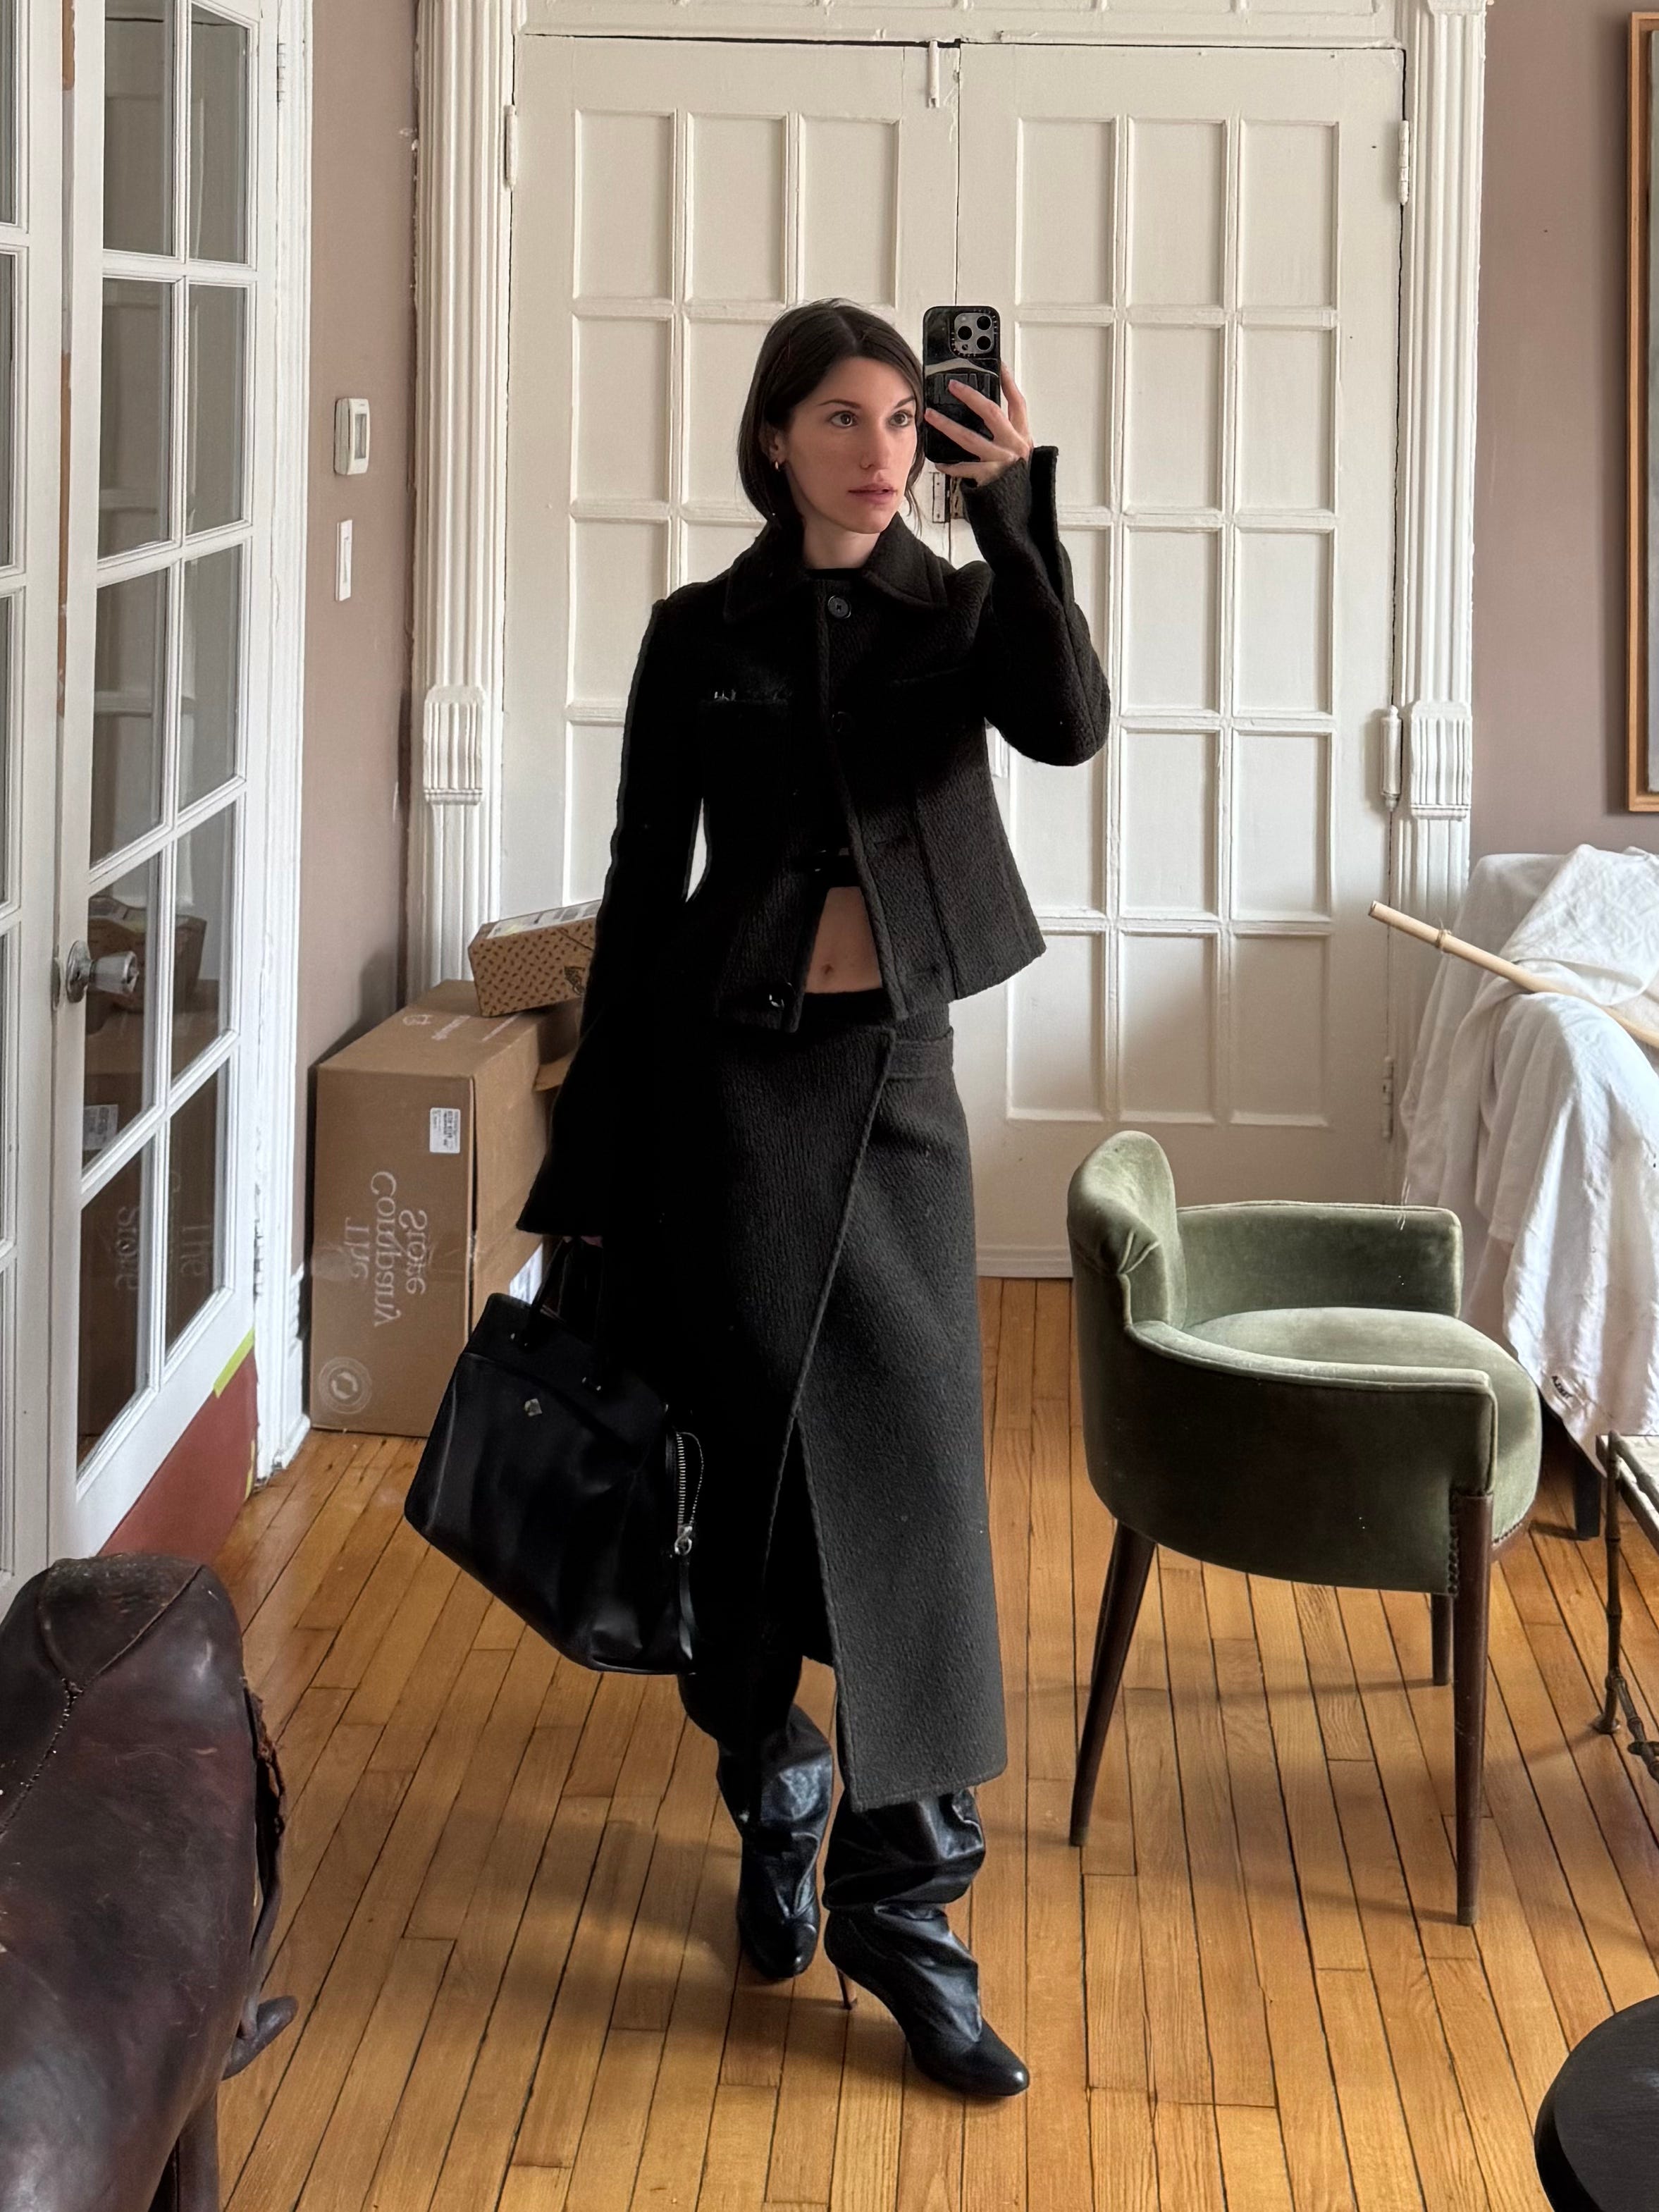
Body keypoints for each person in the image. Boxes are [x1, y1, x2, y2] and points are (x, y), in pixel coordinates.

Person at [518, 297, 1111, 2097]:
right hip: (721, 1094)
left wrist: (1019, 512)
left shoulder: (965, 608)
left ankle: (905, 1912)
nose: (878, 451)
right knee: (744, 1490)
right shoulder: (697, 633)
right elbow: (642, 887)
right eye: (841, 419)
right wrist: (590, 1167)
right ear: (774, 437)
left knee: (917, 1493)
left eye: (902, 422)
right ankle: (772, 1779)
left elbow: (1068, 725)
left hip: (897, 1087)